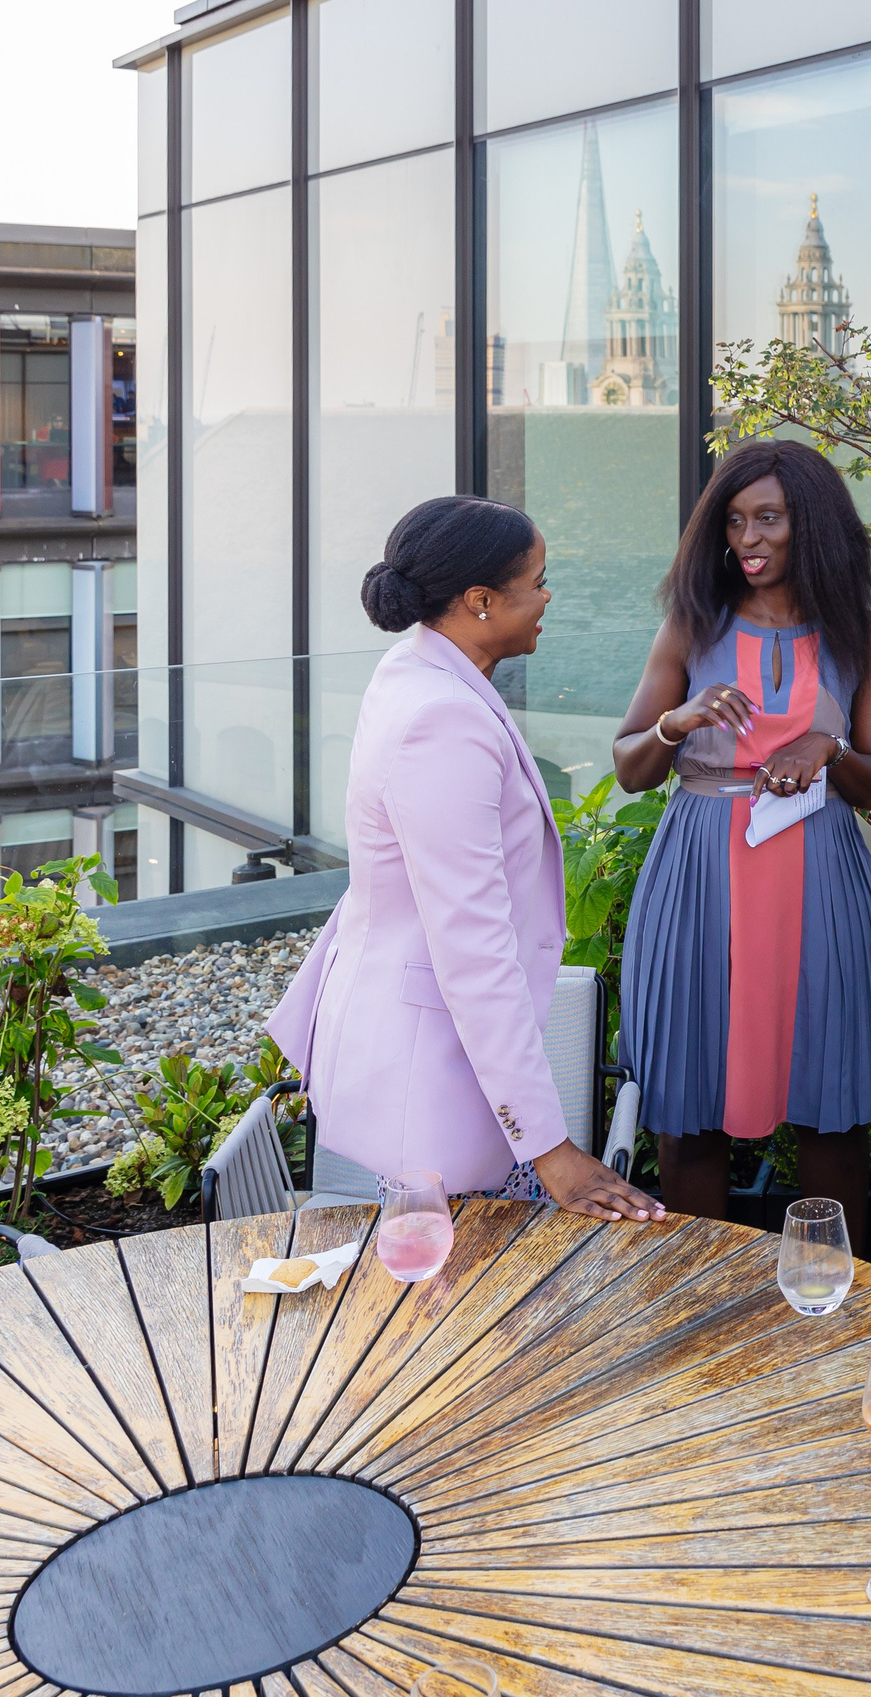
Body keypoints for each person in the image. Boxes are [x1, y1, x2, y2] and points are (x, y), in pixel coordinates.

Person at [267, 496, 662, 1220]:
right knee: (450, 1304)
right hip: (434, 1081)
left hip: (426, 1048)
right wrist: (552, 1150)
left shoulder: (413, 668)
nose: (548, 597)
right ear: (481, 600)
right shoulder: (440, 719)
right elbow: (472, 948)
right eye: (539, 580)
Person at [611, 439, 871, 1246]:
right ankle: (701, 1308)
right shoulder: (691, 625)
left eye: (768, 519)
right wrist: (680, 720)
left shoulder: (860, 635)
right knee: (689, 1105)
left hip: (819, 869)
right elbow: (631, 765)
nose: (749, 539)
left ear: (809, 525)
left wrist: (830, 749)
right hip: (701, 869)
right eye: (735, 522)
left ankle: (834, 1309)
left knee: (832, 1104)